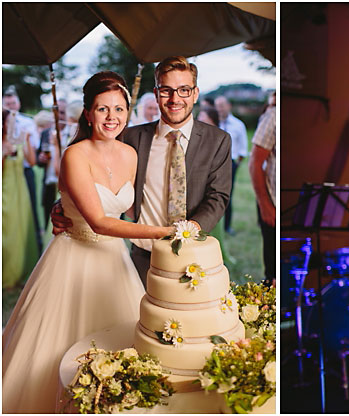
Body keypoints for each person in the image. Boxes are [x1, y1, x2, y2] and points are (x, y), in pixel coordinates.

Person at [2, 71, 175, 413]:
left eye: (119, 109)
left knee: (119, 346)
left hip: (114, 263)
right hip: (72, 259)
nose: (112, 117)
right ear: (87, 112)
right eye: (102, 109)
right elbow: (99, 220)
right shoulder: (74, 155)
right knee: (54, 351)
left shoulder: (130, 154)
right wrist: (161, 233)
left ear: (128, 111)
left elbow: (120, 210)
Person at [53, 56, 232, 284]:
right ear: (156, 94)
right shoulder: (130, 138)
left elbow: (218, 197)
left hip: (193, 253)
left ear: (195, 94)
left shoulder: (217, 140)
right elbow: (97, 176)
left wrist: (186, 232)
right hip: (142, 257)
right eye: (166, 90)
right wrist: (65, 207)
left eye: (184, 90)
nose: (175, 99)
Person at [2, 109, 40, 289]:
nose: (13, 125)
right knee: (6, 232)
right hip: (4, 191)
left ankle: (21, 272)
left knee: (21, 230)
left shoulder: (17, 141)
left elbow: (32, 162)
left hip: (20, 191)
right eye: (10, 121)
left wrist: (26, 141)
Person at [3, 88, 44, 250]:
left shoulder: (28, 123)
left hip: (24, 171)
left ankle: (34, 243)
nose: (11, 106)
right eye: (7, 104)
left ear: (18, 103)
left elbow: (35, 149)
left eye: (13, 103)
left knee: (31, 209)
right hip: (7, 173)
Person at [249, 91, 276, 285]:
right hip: (271, 201)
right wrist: (265, 205)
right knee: (273, 271)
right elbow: (255, 163)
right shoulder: (272, 117)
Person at [215, 95, 247, 235]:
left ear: (229, 106)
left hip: (230, 163)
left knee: (228, 195)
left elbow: (243, 149)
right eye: (218, 106)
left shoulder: (238, 125)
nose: (220, 109)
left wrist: (235, 165)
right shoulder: (212, 123)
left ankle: (227, 226)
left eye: (222, 105)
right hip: (213, 163)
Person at [35, 110, 62, 228]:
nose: (58, 116)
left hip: (63, 186)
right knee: (47, 219)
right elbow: (38, 159)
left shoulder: (73, 133)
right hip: (48, 183)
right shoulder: (46, 133)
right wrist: (40, 159)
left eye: (61, 112)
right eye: (55, 113)